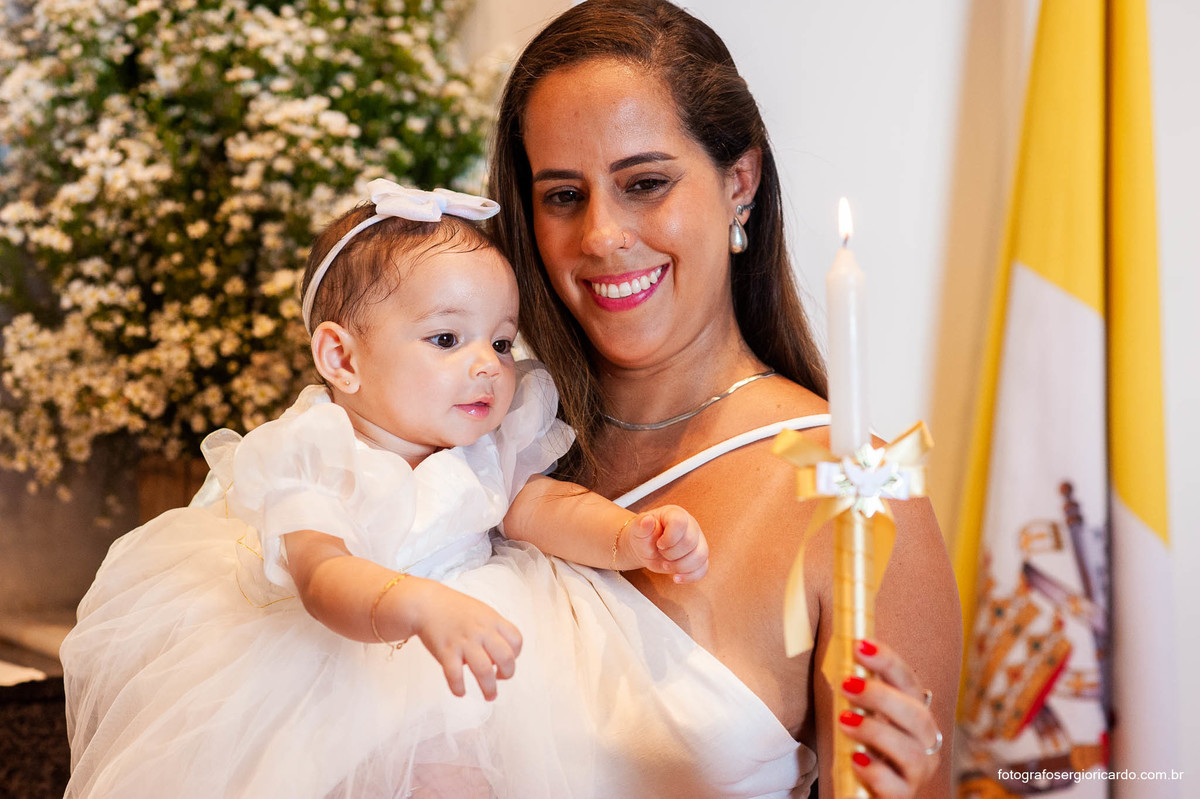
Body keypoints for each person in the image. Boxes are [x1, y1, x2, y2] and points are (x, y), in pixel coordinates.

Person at [59, 181, 709, 799]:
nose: (487, 362)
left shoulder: (487, 447)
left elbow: (541, 507)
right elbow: (321, 575)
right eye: (447, 338)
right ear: (342, 359)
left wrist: (627, 535)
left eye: (502, 340)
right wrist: (415, 604)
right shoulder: (318, 455)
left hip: (467, 665)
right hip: (331, 667)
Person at [487, 1, 962, 797]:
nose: (601, 235)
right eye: (563, 196)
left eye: (644, 182)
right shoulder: (484, 446)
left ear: (739, 182)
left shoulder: (854, 490)